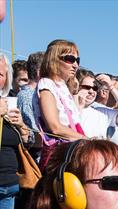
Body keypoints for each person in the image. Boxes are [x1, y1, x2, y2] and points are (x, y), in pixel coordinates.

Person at [32, 39, 85, 167]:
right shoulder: (46, 84)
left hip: (71, 150)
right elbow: (54, 126)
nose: (75, 65)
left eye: (77, 60)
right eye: (70, 59)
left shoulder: (62, 86)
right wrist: (87, 140)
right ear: (54, 59)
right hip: (58, 155)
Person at [0, 54, 29, 209]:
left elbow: (28, 140)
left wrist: (21, 126)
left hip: (9, 186)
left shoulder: (10, 101)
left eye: (0, 74)